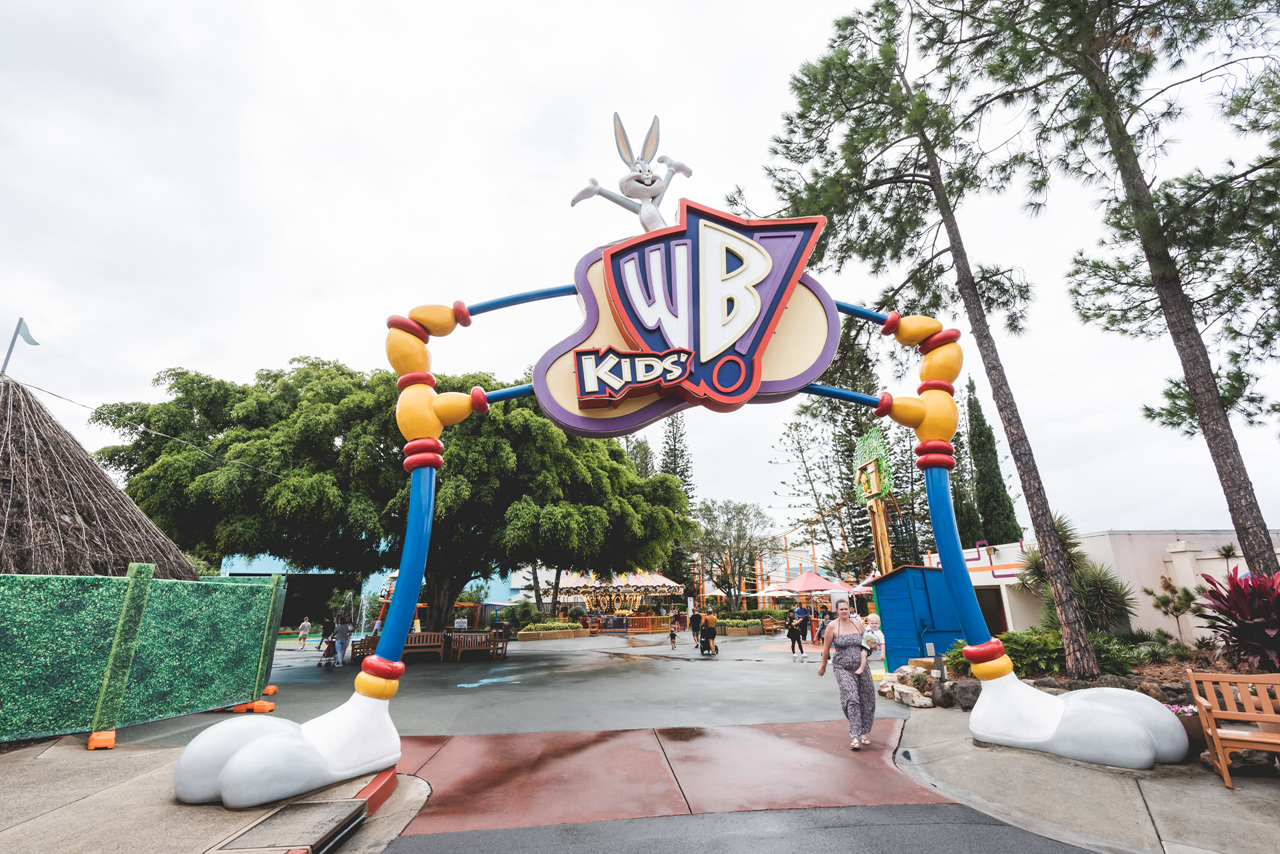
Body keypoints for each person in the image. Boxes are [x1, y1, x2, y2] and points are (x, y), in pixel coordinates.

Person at [817, 597, 876, 750]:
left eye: (846, 609)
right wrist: (823, 666)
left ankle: (864, 731)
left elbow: (867, 644)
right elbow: (826, 649)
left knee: (867, 697)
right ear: (837, 611)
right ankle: (855, 735)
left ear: (850, 609)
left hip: (861, 666)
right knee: (852, 697)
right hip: (842, 667)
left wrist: (873, 646)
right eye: (841, 609)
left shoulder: (858, 624)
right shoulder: (832, 626)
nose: (844, 611)